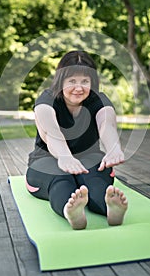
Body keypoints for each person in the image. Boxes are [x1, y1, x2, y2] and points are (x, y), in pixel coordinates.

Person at [26, 50, 128, 230]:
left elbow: (107, 125)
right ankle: (71, 212)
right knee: (61, 180)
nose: (79, 87)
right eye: (72, 81)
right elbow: (51, 133)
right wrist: (64, 156)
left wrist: (113, 148)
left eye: (85, 81)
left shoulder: (99, 101)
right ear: (61, 81)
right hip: (48, 160)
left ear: (92, 82)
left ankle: (111, 210)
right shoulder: (46, 101)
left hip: (88, 159)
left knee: (95, 182)